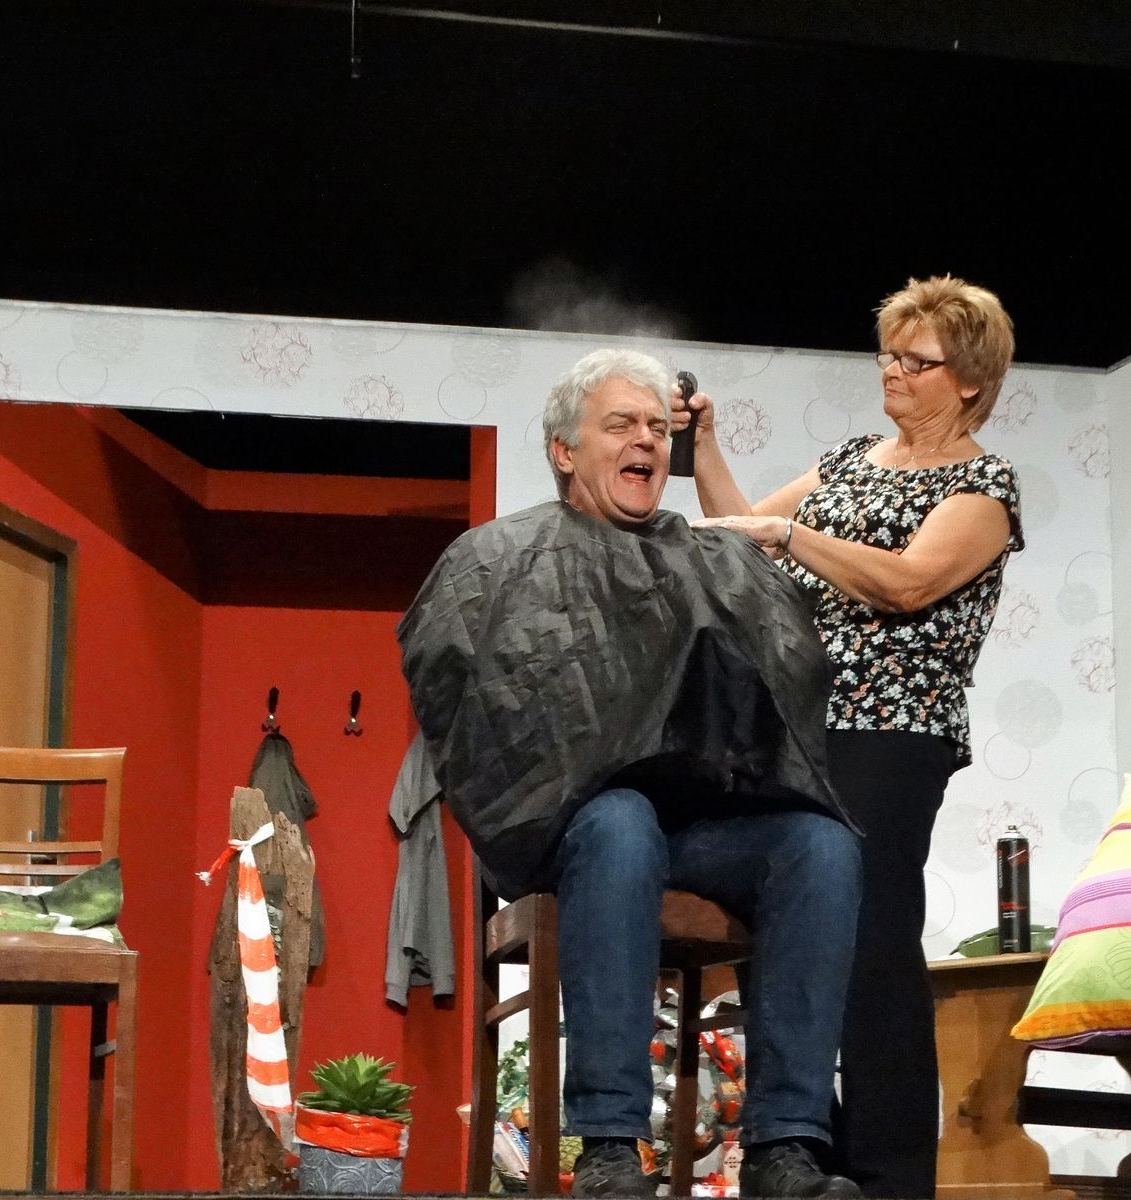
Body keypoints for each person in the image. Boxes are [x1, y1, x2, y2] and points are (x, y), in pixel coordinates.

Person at [397, 349, 865, 1199]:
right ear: (564, 450)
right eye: (620, 424)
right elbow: (463, 694)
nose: (645, 439)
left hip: (693, 832)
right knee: (618, 822)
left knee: (820, 846)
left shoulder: (709, 558)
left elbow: (783, 673)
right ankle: (610, 1148)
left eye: (656, 426)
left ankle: (784, 1149)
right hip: (563, 829)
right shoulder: (500, 558)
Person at [676, 276, 1024, 1199]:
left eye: (917, 360)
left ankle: (890, 1174)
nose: (893, 372)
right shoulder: (848, 461)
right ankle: (801, 1158)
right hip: (802, 725)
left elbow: (908, 583)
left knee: (872, 937)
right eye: (888, 355)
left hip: (895, 733)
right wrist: (703, 448)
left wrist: (790, 536)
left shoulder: (983, 487)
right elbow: (744, 539)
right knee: (788, 927)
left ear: (970, 380)